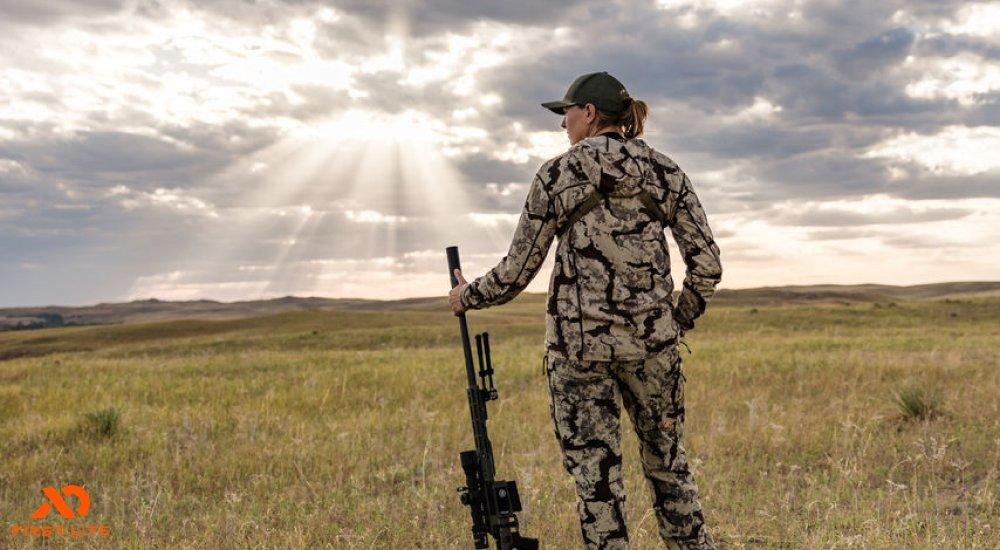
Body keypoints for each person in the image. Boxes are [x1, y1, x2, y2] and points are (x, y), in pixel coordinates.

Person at [448, 71, 722, 549]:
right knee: (670, 469)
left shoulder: (558, 174)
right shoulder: (665, 171)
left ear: (590, 114)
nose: (563, 124)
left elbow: (517, 271)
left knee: (597, 487)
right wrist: (672, 322)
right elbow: (707, 264)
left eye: (567, 113)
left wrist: (466, 295)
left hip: (579, 356)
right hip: (654, 351)